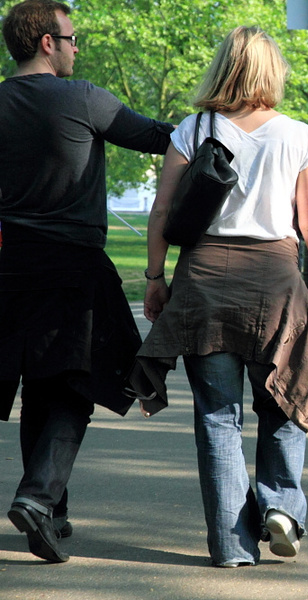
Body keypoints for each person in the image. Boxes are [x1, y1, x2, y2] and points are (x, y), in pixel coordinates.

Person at [129, 26, 308, 568]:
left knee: (218, 417)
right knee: (283, 399)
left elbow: (162, 212)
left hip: (204, 280)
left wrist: (156, 278)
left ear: (223, 67)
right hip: (275, 281)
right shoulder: (299, 136)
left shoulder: (192, 128)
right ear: (273, 72)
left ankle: (230, 545)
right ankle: (280, 506)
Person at [0, 0, 174, 563]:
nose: (78, 47)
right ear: (47, 42)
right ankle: (36, 495)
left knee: (37, 384)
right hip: (72, 263)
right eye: (73, 38)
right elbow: (158, 137)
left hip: (9, 265)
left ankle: (54, 509)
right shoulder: (84, 98)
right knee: (77, 384)